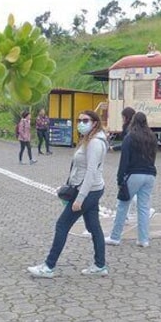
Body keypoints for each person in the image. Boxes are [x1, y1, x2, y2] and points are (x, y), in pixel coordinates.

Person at [28, 110, 109, 278]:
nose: (81, 123)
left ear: (94, 122)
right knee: (94, 227)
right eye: (79, 120)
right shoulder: (90, 140)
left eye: (85, 120)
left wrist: (80, 198)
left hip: (87, 191)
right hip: (91, 189)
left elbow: (91, 171)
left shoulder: (95, 143)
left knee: (62, 225)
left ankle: (49, 266)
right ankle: (100, 265)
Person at [105, 112, 157, 247]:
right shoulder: (152, 137)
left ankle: (115, 237)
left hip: (134, 174)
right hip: (150, 174)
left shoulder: (130, 137)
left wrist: (119, 179)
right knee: (144, 208)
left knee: (123, 205)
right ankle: (143, 239)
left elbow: (124, 160)